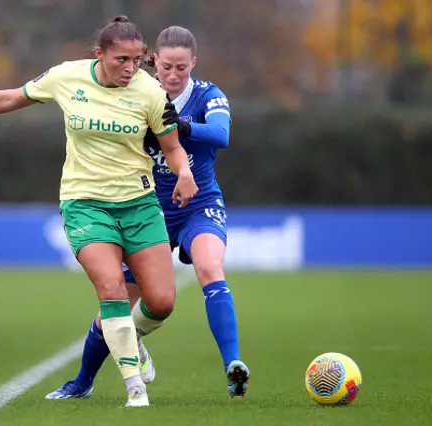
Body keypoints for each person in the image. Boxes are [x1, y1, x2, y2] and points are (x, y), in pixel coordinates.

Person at [0, 16, 198, 407]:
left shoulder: (151, 91)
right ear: (100, 54)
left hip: (139, 204)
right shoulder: (67, 77)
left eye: (137, 60)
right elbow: (9, 97)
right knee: (112, 290)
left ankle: (130, 339)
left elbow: (171, 148)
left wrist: (184, 173)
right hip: (85, 204)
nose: (131, 68)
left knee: (162, 302)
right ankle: (135, 388)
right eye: (122, 59)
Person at [48, 26, 250, 401]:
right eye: (167, 67)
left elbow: (221, 135)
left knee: (209, 268)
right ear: (154, 61)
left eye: (181, 68)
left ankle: (233, 366)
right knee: (116, 305)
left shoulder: (209, 94)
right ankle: (82, 382)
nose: (173, 76)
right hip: (148, 208)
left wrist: (181, 124)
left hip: (197, 204)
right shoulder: (140, 92)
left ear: (194, 64)